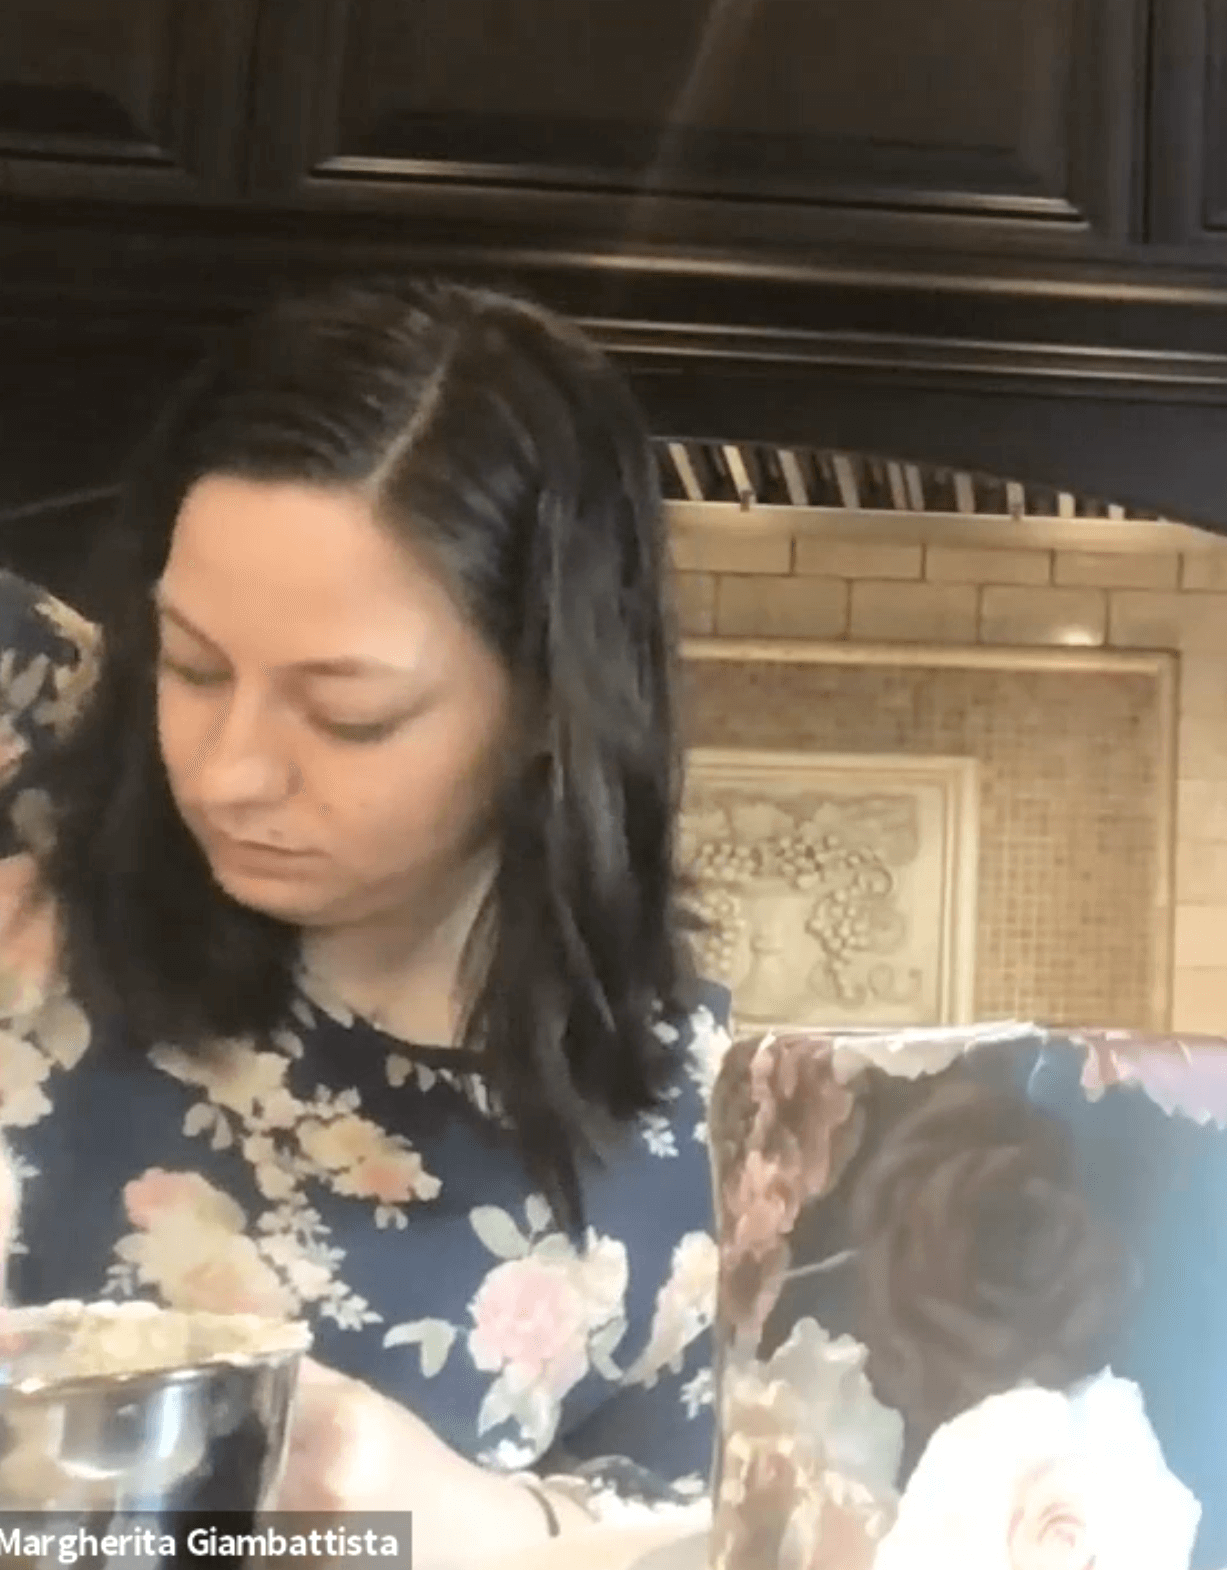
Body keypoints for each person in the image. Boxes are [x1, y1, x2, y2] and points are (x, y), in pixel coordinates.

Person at [0, 279, 730, 1566]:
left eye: (348, 716)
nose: (229, 772)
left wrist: (483, 1527)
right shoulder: (40, 743)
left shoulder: (685, 1135)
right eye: (192, 665)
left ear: (551, 707)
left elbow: (694, 1526)